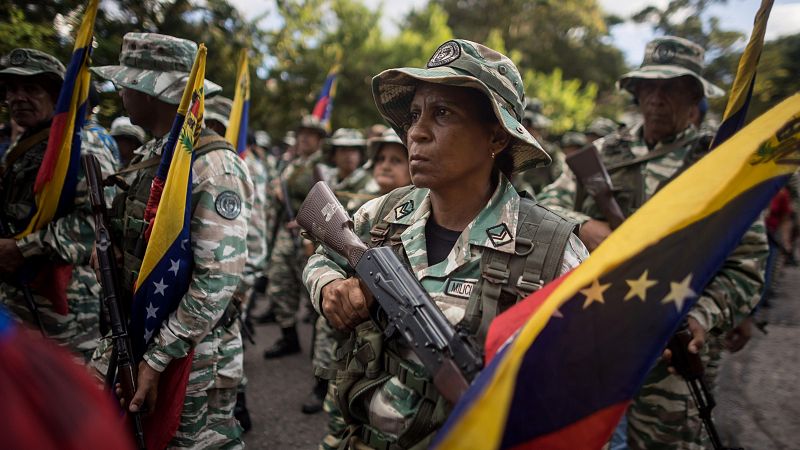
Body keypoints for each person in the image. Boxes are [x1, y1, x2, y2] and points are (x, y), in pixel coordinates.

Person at [303, 39, 588, 449]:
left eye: (442, 113)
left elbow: (582, 389)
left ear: (497, 137)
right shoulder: (385, 212)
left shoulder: (552, 251)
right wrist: (330, 287)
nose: (416, 132)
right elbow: (323, 257)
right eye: (415, 114)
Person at [537, 36, 768, 449]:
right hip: (597, 331)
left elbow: (747, 262)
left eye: (671, 88)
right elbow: (544, 206)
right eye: (649, 87)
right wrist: (584, 225)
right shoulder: (605, 152)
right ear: (637, 91)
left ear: (694, 96)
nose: (657, 99)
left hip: (672, 344)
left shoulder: (720, 162)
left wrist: (704, 316)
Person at [89, 33, 253, 448]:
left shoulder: (213, 164)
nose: (121, 91)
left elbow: (217, 280)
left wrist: (157, 358)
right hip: (141, 334)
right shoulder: (153, 155)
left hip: (191, 356)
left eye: (128, 82)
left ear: (151, 91)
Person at [0, 48, 118, 360]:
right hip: (17, 299)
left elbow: (97, 225)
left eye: (31, 88)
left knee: (62, 388)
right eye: (11, 89)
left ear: (57, 94)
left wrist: (23, 248)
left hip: (64, 310)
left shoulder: (82, 145)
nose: (17, 98)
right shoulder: (23, 143)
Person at [263, 115, 327, 359]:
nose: (304, 139)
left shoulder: (323, 166)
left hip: (312, 235)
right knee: (280, 281)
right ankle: (288, 336)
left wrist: (306, 220)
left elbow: (330, 203)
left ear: (319, 140)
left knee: (313, 288)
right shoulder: (292, 164)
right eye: (301, 134)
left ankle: (322, 347)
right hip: (286, 233)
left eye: (310, 135)